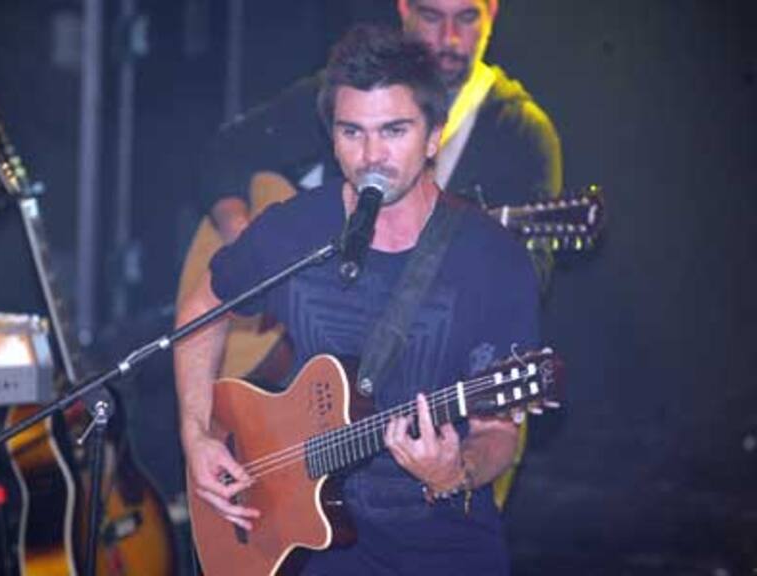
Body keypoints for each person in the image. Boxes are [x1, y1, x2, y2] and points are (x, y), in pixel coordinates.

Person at [175, 25, 539, 575]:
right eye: (352, 132)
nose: (372, 156)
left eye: (394, 130)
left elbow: (498, 433)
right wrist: (197, 433)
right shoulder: (293, 231)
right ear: (333, 137)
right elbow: (203, 308)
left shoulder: (493, 260)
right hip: (311, 547)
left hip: (445, 551)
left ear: (434, 137)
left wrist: (457, 470)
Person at [203, 0, 562, 247]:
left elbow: (530, 276)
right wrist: (245, 241)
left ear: (492, 12)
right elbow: (227, 151)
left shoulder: (522, 133)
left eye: (467, 18)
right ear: (404, 8)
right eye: (432, 16)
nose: (450, 38)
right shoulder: (351, 92)